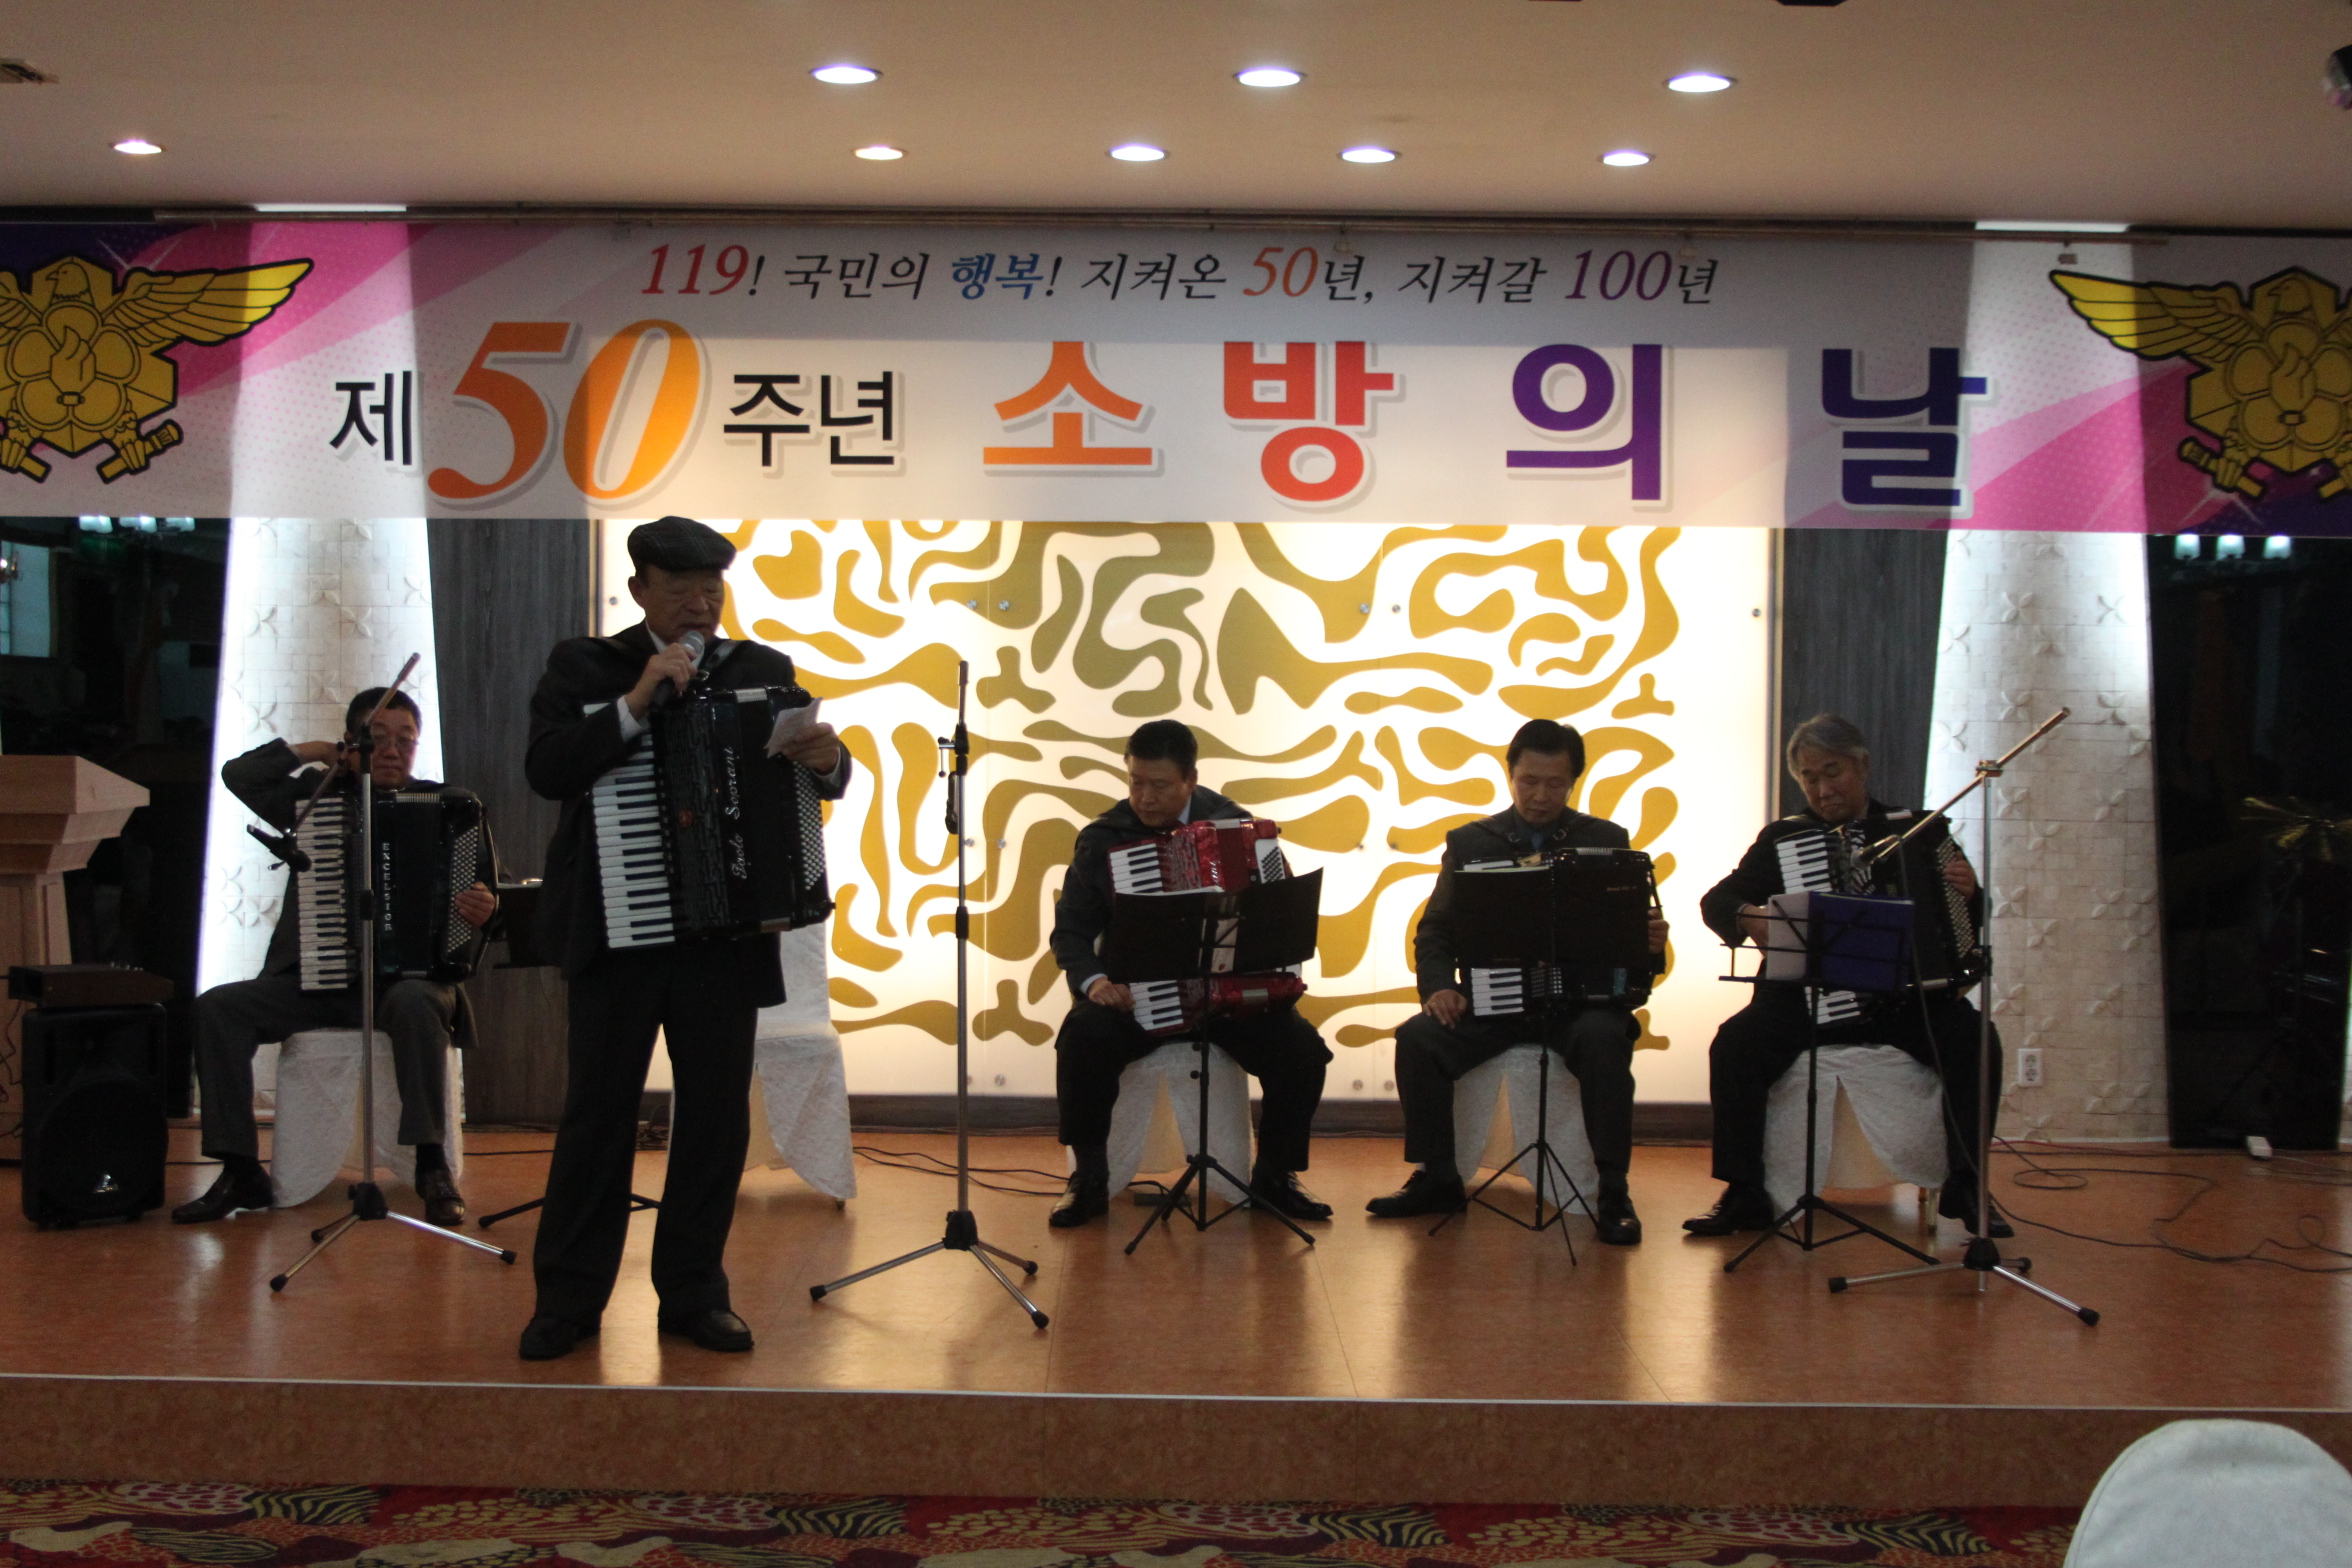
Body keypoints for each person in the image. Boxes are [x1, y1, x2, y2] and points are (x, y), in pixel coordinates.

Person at [519, 516, 851, 1362]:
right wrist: (635, 704)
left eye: (713, 589)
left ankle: (695, 1292)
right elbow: (547, 770)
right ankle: (568, 1300)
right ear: (640, 591)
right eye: (682, 591)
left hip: (724, 936)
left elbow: (814, 778)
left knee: (713, 1121)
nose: (702, 606)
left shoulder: (760, 669)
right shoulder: (584, 665)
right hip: (614, 933)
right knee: (597, 1116)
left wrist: (828, 761)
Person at [174, 688, 496, 1229]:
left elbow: (493, 893)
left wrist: (487, 906)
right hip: (319, 982)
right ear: (353, 743)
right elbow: (239, 776)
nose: (392, 750)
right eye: (377, 738)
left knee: (417, 1001)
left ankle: (431, 1164)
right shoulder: (315, 796)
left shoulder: (451, 807)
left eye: (405, 740)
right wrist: (316, 751)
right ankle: (240, 1169)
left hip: (410, 985)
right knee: (217, 1009)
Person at [1683, 712, 2007, 1238]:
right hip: (1804, 999)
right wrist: (1748, 916)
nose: (1821, 789)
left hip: (1904, 1001)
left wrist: (1971, 894)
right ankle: (1744, 1192)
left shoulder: (1918, 830)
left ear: (1862, 766)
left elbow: (1966, 923)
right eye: (1809, 778)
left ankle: (1968, 1183)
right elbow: (1717, 900)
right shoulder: (1784, 839)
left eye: (1832, 772)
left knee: (1976, 1038)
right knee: (1735, 1044)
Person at [1366, 719, 1668, 1243]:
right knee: (1418, 1038)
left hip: (1579, 1005)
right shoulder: (1471, 843)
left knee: (1603, 1037)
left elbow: (1631, 946)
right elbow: (1435, 931)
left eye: (1556, 784)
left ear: (1573, 782)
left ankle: (1613, 1189)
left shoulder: (1605, 840)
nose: (1541, 796)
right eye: (1529, 781)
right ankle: (1437, 1177)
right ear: (1510, 775)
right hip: (1494, 1000)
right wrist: (1438, 987)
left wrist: (1650, 943)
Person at [1045, 719, 1333, 1229]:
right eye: (1135, 781)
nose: (1144, 797)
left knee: (1302, 1051)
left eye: (1159, 785)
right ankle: (1088, 1179)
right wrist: (1096, 983)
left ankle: (1274, 1176)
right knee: (1082, 1038)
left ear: (1191, 780)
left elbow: (1280, 919)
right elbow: (1070, 932)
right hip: (1136, 999)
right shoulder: (1105, 838)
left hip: (1225, 1002)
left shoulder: (1237, 828)